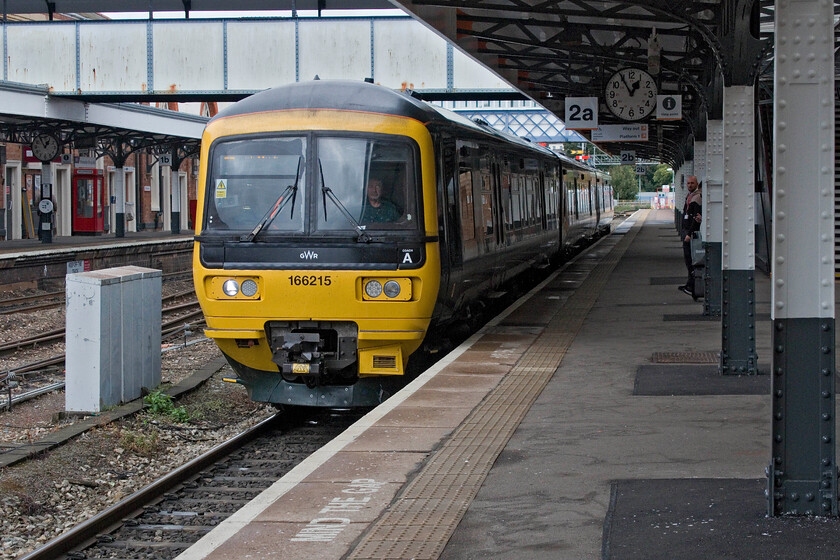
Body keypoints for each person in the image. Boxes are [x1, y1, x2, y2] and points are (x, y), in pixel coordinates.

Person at [678, 175, 702, 296]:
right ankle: (690, 284)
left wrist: (689, 233)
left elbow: (696, 218)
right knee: (688, 260)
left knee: (691, 260)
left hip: (690, 234)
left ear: (697, 184)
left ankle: (692, 286)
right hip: (687, 232)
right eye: (688, 183)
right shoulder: (690, 196)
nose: (689, 185)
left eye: (692, 183)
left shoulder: (697, 198)